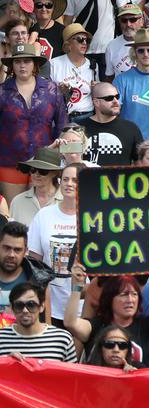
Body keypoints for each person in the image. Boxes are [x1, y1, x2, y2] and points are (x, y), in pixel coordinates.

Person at [0, 43, 67, 204]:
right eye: (17, 61)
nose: (22, 65)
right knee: (14, 212)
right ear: (12, 65)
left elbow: (62, 124)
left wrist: (60, 155)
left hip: (44, 160)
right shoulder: (2, 91)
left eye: (27, 61)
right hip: (10, 161)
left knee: (43, 211)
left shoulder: (51, 89)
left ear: (35, 64)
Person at [27, 163, 80, 325]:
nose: (69, 184)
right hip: (51, 304)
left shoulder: (94, 217)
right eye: (65, 179)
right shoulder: (44, 215)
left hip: (82, 305)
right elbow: (34, 263)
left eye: (75, 180)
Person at [0, 281, 77, 361]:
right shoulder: (1, 338)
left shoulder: (62, 339)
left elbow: (72, 373)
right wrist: (6, 362)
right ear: (12, 308)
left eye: (31, 305)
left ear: (42, 306)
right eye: (19, 305)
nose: (25, 310)